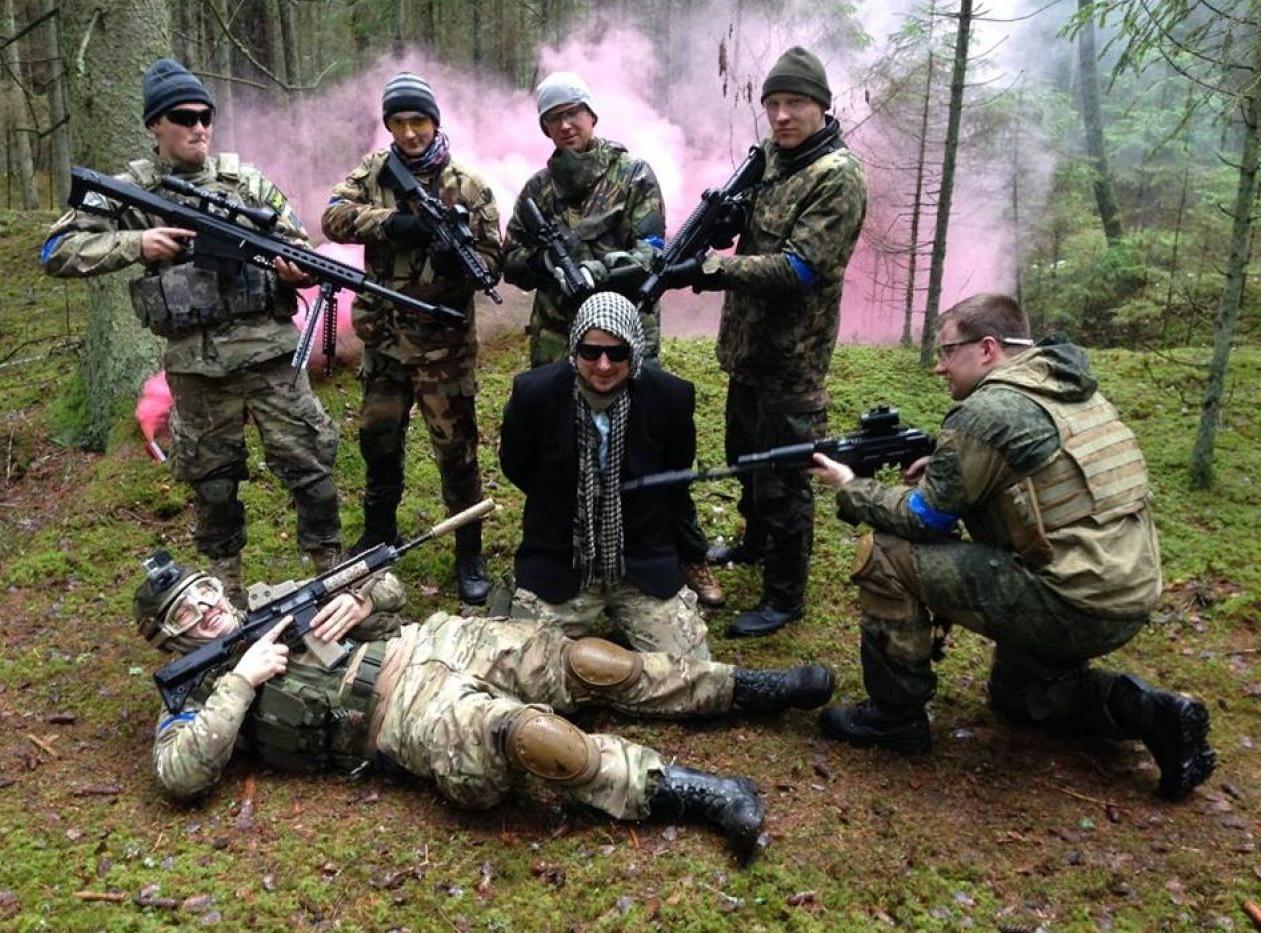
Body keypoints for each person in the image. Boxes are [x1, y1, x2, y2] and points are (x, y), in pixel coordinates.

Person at [133, 552, 835, 864]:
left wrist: (361, 598)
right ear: (170, 637)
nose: (207, 608)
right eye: (186, 613)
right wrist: (242, 679)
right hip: (400, 714)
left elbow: (390, 585)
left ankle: (746, 687)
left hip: (436, 640)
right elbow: (179, 774)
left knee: (593, 663)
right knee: (535, 739)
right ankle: (703, 792)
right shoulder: (196, 692)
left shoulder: (273, 600)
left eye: (204, 592)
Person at [810, 293, 1216, 801]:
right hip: (1128, 595)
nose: (939, 366)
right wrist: (950, 468)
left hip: (1068, 603)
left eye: (947, 351)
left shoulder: (987, 411)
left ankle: (894, 718)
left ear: (987, 348)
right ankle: (1149, 711)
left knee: (884, 553)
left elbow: (922, 518)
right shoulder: (1071, 391)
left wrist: (850, 486)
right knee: (1019, 696)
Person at [41, 59, 340, 607]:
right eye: (184, 117)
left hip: (271, 357)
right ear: (155, 124)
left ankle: (334, 582)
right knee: (214, 487)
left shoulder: (246, 183)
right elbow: (56, 251)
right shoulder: (129, 192)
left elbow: (298, 243)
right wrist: (136, 244)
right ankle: (227, 601)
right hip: (198, 369)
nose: (199, 127)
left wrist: (297, 269)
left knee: (312, 469)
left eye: (206, 116)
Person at [664, 47, 868, 638]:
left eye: (794, 103)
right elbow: (750, 224)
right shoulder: (772, 159)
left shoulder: (838, 177)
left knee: (785, 476)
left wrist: (710, 270)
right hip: (749, 351)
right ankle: (755, 543)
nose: (781, 115)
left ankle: (784, 595)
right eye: (773, 103)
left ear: (821, 106)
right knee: (745, 458)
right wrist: (726, 222)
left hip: (793, 360)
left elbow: (799, 268)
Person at [501, 71, 724, 609]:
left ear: (592, 116)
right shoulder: (537, 190)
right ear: (545, 129)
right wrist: (546, 265)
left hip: (626, 332)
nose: (566, 125)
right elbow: (510, 260)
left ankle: (685, 552)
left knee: (652, 446)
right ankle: (558, 552)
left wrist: (596, 268)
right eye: (554, 118)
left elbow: (653, 248)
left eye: (573, 113)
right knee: (557, 444)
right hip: (559, 334)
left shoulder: (631, 175)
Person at [321, 73, 499, 606]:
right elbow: (332, 217)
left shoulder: (467, 184)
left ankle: (468, 548)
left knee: (457, 451)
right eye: (398, 123)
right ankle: (379, 533)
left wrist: (457, 261)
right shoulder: (374, 172)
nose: (409, 132)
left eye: (418, 121)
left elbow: (495, 260)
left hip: (443, 344)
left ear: (434, 122)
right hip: (384, 338)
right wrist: (391, 224)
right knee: (378, 440)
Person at [499, 293, 730, 658]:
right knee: (520, 666)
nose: (603, 365)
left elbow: (674, 478)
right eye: (591, 352)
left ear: (634, 350)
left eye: (617, 353)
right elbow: (517, 465)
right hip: (560, 562)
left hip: (641, 563)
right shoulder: (534, 394)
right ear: (575, 348)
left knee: (692, 670)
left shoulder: (670, 397)